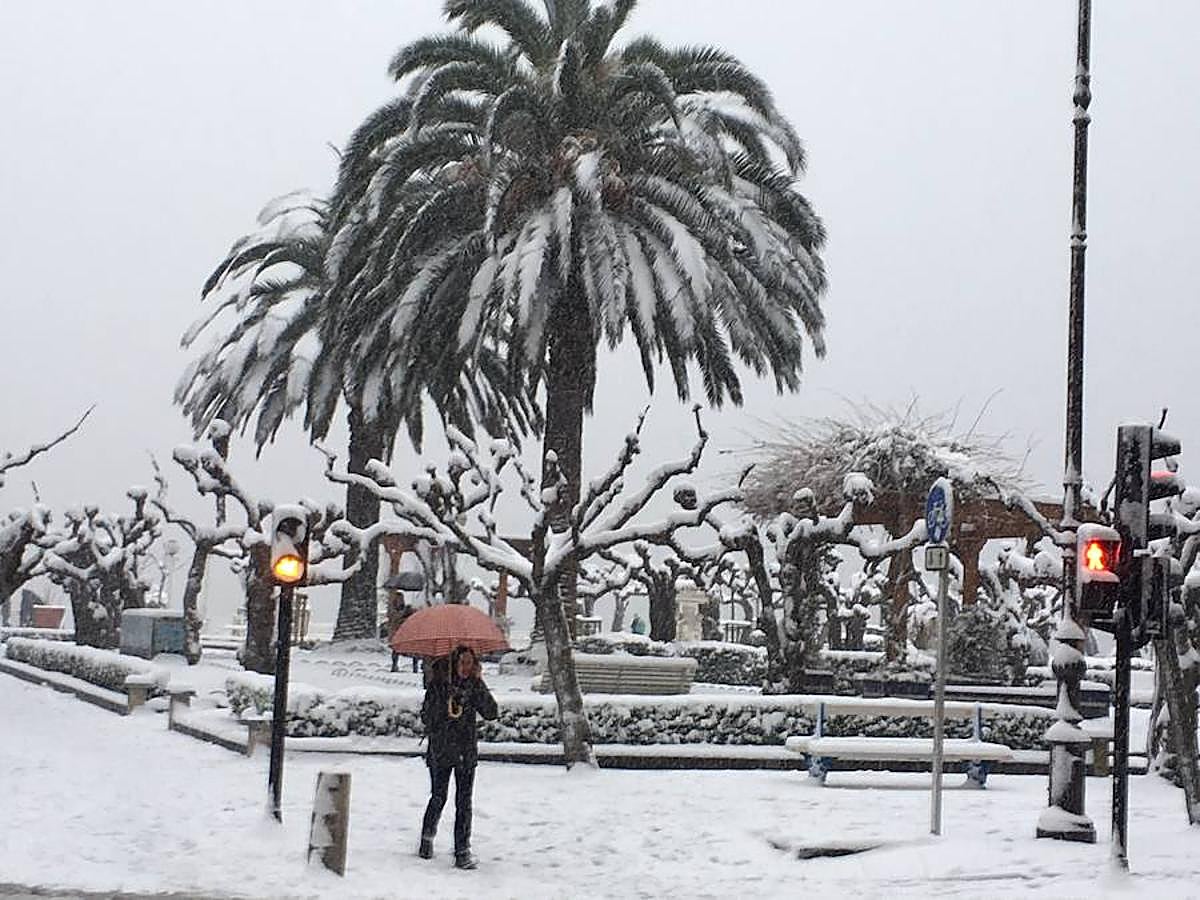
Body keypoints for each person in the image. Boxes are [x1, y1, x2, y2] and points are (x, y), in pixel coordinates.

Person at [418, 645, 498, 869]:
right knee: (439, 796)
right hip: (442, 751)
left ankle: (462, 850)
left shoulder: (474, 686)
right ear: (454, 663)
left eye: (470, 663)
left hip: (465, 752)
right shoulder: (439, 685)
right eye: (462, 663)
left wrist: (477, 689)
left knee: (464, 802)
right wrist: (447, 704)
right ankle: (427, 837)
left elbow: (492, 712)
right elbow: (427, 717)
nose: (466, 668)